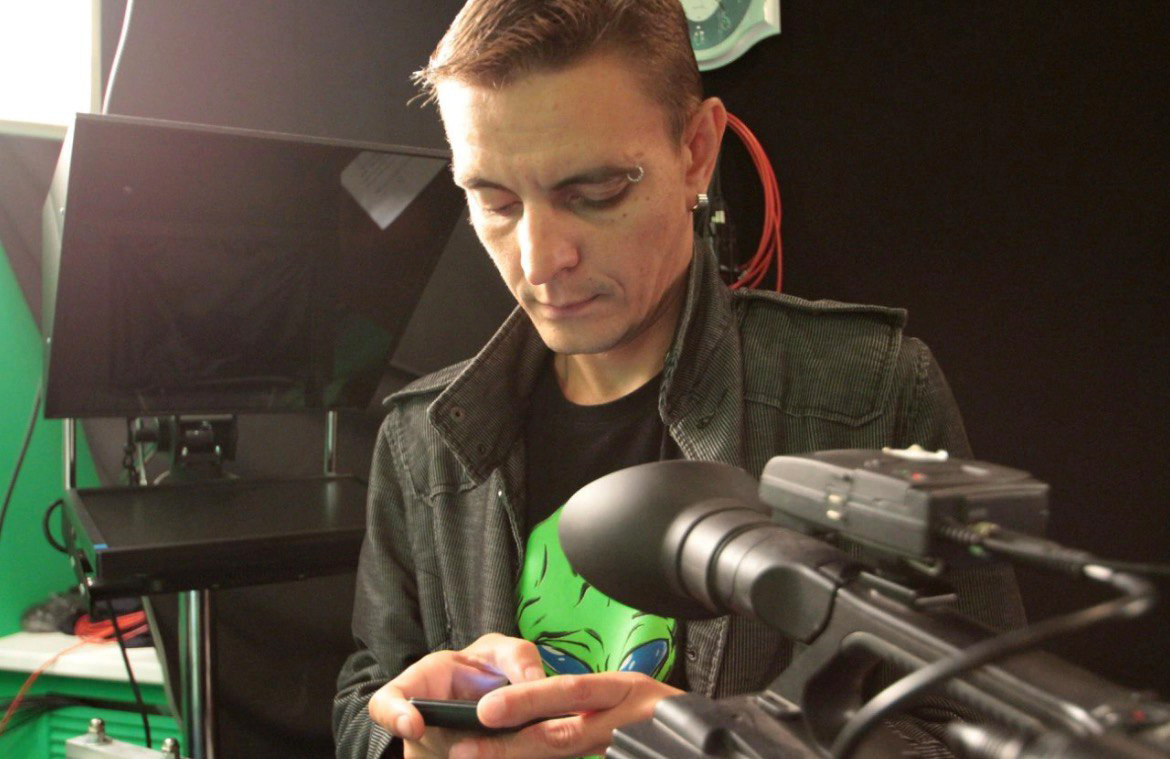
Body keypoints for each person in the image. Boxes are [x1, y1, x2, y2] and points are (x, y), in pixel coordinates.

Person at [334, 1, 1024, 757]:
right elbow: (366, 688)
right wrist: (407, 740)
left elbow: (982, 730)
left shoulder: (869, 392)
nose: (539, 260)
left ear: (696, 152)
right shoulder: (420, 438)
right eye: (494, 201)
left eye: (594, 193)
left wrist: (715, 744)